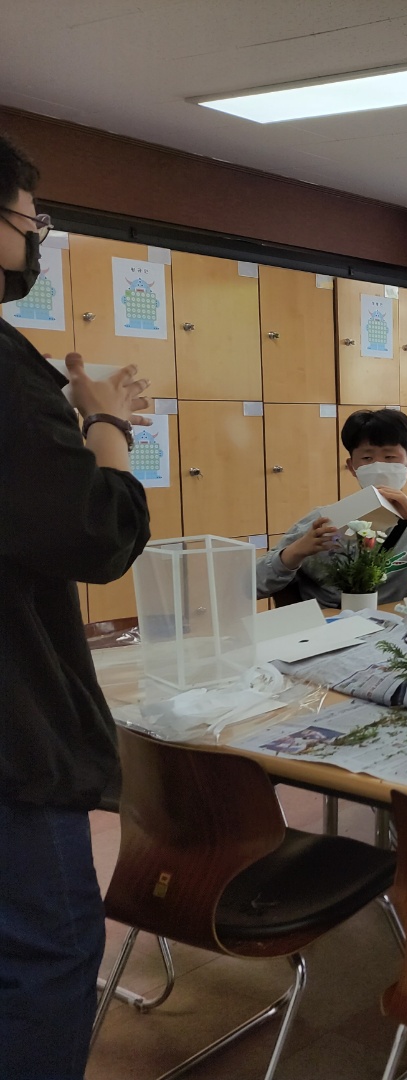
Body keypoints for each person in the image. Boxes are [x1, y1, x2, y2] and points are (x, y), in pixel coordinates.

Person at [1, 133, 153, 1080]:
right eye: (29, 220)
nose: (34, 240)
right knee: (46, 956)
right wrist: (106, 424)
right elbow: (100, 534)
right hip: (11, 743)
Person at [257, 409, 407, 606]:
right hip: (330, 621)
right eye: (367, 458)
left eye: (389, 457)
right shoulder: (322, 521)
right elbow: (251, 584)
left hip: (394, 621)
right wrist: (295, 552)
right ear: (352, 467)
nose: (378, 466)